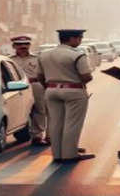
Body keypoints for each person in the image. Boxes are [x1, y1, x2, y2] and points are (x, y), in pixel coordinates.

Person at [37, 29, 95, 162]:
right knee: (72, 123)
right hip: (73, 91)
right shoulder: (77, 55)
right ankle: (69, 154)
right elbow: (86, 76)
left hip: (51, 90)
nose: (80, 41)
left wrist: (49, 86)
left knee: (55, 123)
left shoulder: (44, 54)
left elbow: (39, 76)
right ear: (72, 39)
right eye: (79, 38)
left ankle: (57, 154)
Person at [9, 36, 49, 146]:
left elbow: (44, 74)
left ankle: (37, 136)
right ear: (14, 46)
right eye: (19, 44)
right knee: (19, 110)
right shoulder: (10, 60)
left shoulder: (38, 58)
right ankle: (20, 134)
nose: (23, 46)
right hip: (17, 88)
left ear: (29, 45)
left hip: (35, 85)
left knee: (39, 110)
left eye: (26, 44)